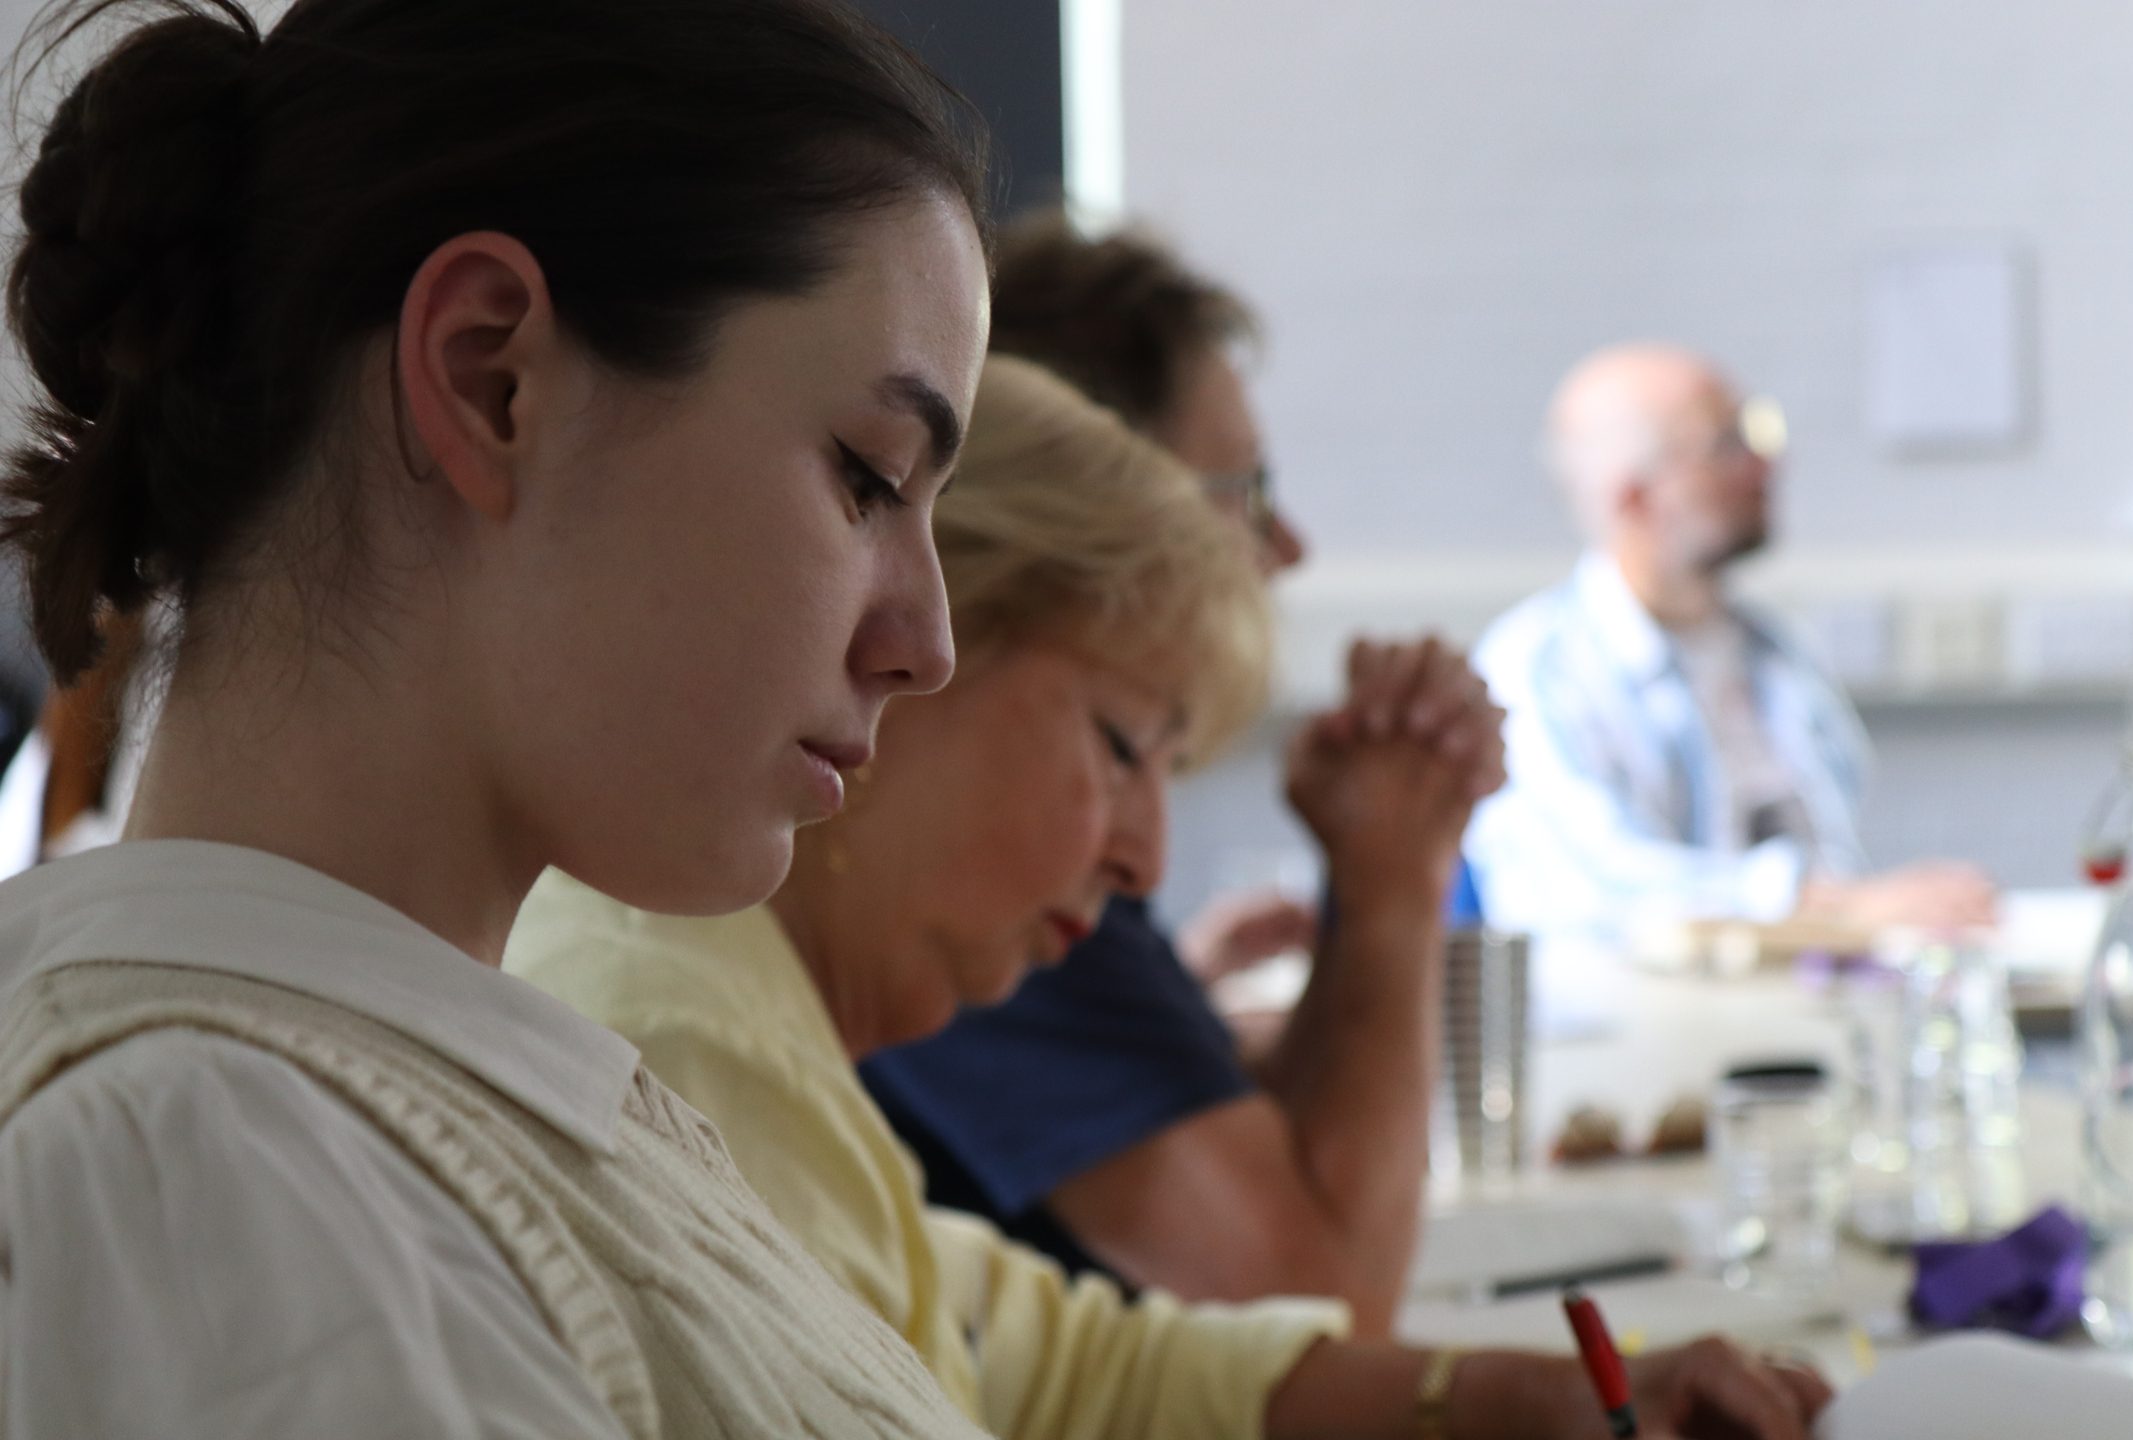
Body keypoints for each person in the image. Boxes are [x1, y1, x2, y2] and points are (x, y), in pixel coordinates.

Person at [0, 0, 1005, 1433]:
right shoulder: (230, 1184)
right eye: (867, 475)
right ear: (492, 379)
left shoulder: (372, 1109)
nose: (929, 643)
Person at [507, 356, 1834, 1440]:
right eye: (1123, 744)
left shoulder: (738, 998)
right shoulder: (685, 1043)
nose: (1144, 857)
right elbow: (1302, 1281)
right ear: (908, 654)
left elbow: (1073, 1369)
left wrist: (1520, 1399)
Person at [861, 213, 1500, 1333]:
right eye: (1245, 493)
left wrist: (1364, 881)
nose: (1287, 546)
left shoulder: (1008, 832)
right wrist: (1400, 878)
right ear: (1102, 499)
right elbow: (1321, 1306)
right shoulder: (970, 865)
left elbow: (1262, 1169)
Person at [1466, 343, 1997, 954]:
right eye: (1725, 446)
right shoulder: (1534, 673)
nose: (1765, 466)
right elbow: (1607, 895)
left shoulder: (1775, 654)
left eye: (1759, 433)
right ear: (1634, 499)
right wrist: (1847, 909)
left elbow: (1830, 855)